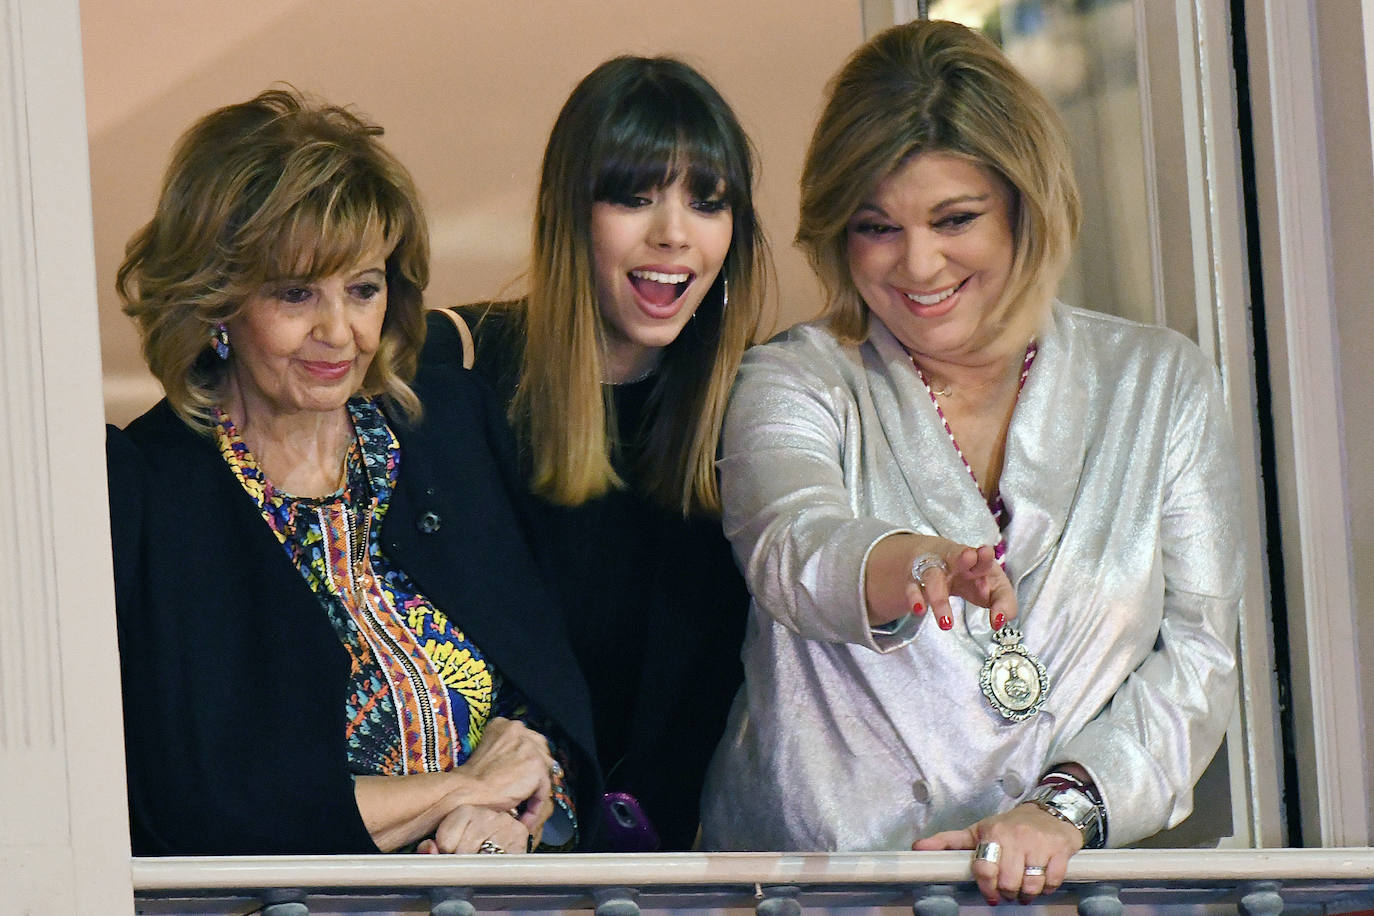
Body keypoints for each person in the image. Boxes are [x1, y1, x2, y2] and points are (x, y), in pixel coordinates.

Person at [699, 18, 1241, 903]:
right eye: (877, 227)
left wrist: (1062, 809)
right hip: (808, 890)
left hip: (1056, 890)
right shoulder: (796, 378)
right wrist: (915, 562)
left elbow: (1197, 654)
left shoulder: (1159, 385)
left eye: (955, 219)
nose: (918, 264)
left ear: (1027, 203)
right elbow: (792, 544)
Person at [107, 88, 598, 856]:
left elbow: (551, 705)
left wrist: (514, 814)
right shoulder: (153, 491)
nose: (339, 331)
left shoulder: (449, 428)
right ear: (216, 303)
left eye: (363, 289)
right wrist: (461, 789)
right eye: (296, 292)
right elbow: (207, 805)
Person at [421, 55, 766, 851]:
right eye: (634, 197)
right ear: (571, 211)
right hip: (473, 863)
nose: (673, 233)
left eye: (706, 203)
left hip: (677, 883)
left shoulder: (761, 408)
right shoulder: (452, 368)